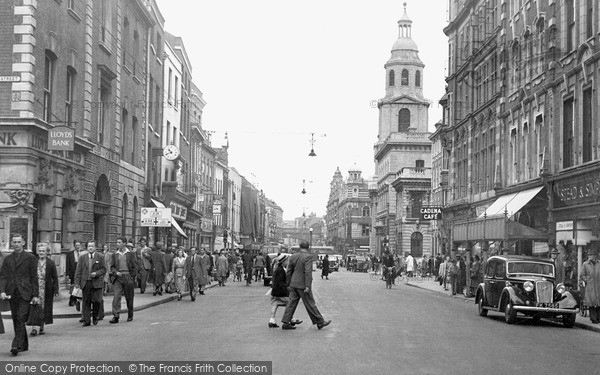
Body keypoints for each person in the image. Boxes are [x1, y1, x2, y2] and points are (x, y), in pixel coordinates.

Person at [0, 233, 39, 355]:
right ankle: (24, 345)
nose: (16, 244)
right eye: (14, 242)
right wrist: (2, 291)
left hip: (25, 292)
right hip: (12, 293)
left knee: (21, 318)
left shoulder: (30, 258)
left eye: (19, 242)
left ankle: (16, 344)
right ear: (12, 243)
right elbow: (3, 277)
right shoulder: (7, 259)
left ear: (23, 243)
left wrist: (35, 295)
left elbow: (34, 277)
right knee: (16, 318)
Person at [281, 241, 331, 330]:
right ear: (308, 248)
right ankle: (320, 321)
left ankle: (285, 322)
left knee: (291, 303)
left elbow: (289, 271)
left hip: (293, 283)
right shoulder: (308, 257)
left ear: (300, 247)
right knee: (310, 303)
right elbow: (308, 272)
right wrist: (308, 285)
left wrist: (288, 283)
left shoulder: (293, 256)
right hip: (303, 285)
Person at [28, 243, 58, 337]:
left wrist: (56, 290)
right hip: (35, 288)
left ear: (46, 252)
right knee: (35, 306)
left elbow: (55, 277)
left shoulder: (51, 263)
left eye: (43, 251)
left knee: (44, 308)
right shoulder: (34, 262)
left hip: (47, 289)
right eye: (40, 251)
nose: (41, 253)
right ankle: (34, 328)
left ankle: (42, 326)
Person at [74, 241, 105, 327]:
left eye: (92, 246)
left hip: (96, 283)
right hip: (86, 282)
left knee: (97, 301)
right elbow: (78, 270)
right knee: (86, 302)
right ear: (87, 248)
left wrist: (97, 273)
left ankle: (95, 316)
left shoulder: (100, 257)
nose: (90, 248)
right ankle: (87, 320)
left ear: (95, 247)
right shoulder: (82, 257)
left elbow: (104, 269)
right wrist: (77, 282)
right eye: (89, 246)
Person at [109, 237, 138, 324]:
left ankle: (130, 314)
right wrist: (116, 272)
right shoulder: (115, 255)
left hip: (127, 276)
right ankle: (116, 315)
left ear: (124, 243)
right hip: (118, 277)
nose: (117, 244)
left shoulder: (131, 254)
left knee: (129, 297)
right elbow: (112, 267)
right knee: (116, 296)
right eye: (117, 242)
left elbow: (135, 267)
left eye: (119, 242)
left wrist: (131, 277)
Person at [268, 254, 302, 328]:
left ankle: (271, 320)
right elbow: (280, 282)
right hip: (281, 291)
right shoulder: (281, 270)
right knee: (289, 304)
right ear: (283, 261)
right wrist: (287, 289)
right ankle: (290, 320)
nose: (288, 262)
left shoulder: (278, 268)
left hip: (275, 291)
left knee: (275, 304)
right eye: (287, 260)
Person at [580, 247, 600, 324]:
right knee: (592, 302)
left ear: (595, 256)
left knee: (598, 302)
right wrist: (587, 280)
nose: (590, 257)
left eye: (592, 255)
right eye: (589, 255)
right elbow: (582, 275)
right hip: (591, 286)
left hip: (598, 286)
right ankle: (593, 318)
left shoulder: (599, 263)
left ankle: (598, 318)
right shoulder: (585, 264)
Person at [65, 240, 83, 311]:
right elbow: (67, 264)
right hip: (73, 272)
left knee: (79, 287)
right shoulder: (70, 254)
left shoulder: (83, 253)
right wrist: (67, 274)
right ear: (74, 246)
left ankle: (76, 299)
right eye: (76, 245)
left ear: (80, 245)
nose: (77, 246)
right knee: (73, 286)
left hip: (81, 272)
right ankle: (72, 300)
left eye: (78, 245)